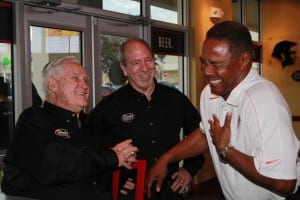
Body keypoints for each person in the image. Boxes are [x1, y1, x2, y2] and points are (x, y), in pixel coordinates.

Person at [146, 21, 300, 200]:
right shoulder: (209, 93)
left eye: (216, 64)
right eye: (203, 62)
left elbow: (285, 183)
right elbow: (206, 135)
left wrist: (227, 151)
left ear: (244, 60)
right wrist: (166, 159)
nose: (207, 71)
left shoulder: (264, 100)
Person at [1, 56, 138, 200]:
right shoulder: (34, 120)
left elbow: (101, 165)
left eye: (86, 80)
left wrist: (121, 172)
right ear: (52, 85)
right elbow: (58, 166)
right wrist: (112, 157)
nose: (84, 85)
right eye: (75, 78)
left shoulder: (90, 124)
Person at [87, 38, 205, 200]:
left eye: (148, 60)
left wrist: (190, 169)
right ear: (124, 69)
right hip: (131, 193)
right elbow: (89, 150)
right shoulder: (109, 107)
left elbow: (201, 133)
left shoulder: (175, 99)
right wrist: (112, 177)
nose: (144, 68)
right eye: (135, 63)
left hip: (169, 190)